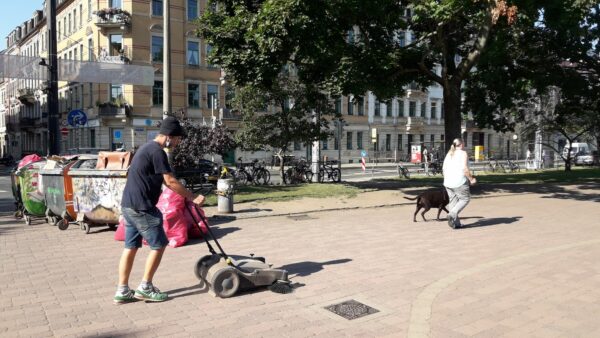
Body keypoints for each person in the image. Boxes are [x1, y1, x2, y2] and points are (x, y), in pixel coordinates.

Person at [114, 116, 205, 304]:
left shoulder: (146, 148)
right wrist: (193, 197)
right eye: (178, 138)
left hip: (129, 205)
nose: (179, 142)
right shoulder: (157, 152)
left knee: (130, 247)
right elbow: (170, 181)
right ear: (169, 136)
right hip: (142, 208)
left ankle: (122, 290)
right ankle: (145, 287)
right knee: (159, 244)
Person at [442, 138, 476, 229]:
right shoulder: (463, 153)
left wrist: (446, 179)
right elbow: (465, 168)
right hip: (459, 181)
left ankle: (456, 224)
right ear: (462, 144)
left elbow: (444, 168)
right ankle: (452, 214)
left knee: (453, 201)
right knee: (465, 199)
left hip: (448, 182)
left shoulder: (449, 153)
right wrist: (471, 179)